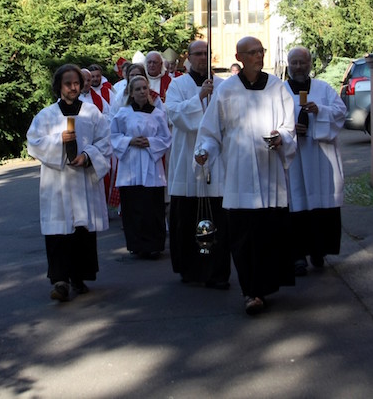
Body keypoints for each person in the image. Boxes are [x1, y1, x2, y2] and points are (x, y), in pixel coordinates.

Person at [195, 36, 297, 315]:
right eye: (252, 52)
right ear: (239, 57)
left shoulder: (277, 87)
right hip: (239, 174)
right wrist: (204, 151)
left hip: (269, 172)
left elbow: (289, 127)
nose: (259, 56)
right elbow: (211, 130)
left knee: (267, 235)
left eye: (261, 51)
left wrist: (282, 138)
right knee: (242, 236)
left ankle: (262, 287)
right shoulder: (227, 90)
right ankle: (250, 291)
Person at [26, 64, 112, 301]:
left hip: (83, 180)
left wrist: (88, 156)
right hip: (58, 182)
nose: (73, 87)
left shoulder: (92, 113)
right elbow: (33, 143)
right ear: (58, 86)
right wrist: (58, 141)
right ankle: (60, 281)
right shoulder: (46, 116)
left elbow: (105, 141)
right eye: (68, 83)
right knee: (59, 232)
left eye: (76, 83)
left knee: (81, 231)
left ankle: (79, 276)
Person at [165, 40, 230, 289]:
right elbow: (175, 115)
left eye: (206, 53)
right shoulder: (177, 85)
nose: (203, 57)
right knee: (186, 218)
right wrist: (200, 97)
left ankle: (217, 271)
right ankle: (191, 268)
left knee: (217, 218)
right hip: (185, 158)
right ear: (189, 57)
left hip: (215, 159)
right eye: (198, 54)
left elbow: (228, 119)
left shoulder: (223, 86)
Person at [283, 46, 347, 276]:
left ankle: (319, 249)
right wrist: (290, 129)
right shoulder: (279, 91)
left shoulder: (323, 89)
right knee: (295, 204)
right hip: (294, 157)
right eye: (294, 63)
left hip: (319, 155)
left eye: (302, 62)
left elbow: (340, 112)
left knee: (320, 204)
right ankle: (297, 256)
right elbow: (271, 120)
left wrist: (320, 112)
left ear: (310, 64)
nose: (298, 67)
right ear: (288, 65)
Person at [111, 75, 172, 258]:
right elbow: (113, 136)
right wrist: (129, 141)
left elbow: (166, 138)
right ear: (130, 92)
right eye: (137, 89)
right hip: (130, 164)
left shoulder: (158, 114)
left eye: (144, 88)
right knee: (133, 207)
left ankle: (154, 245)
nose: (142, 92)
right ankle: (136, 245)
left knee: (152, 208)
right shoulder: (122, 114)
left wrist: (150, 142)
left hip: (150, 165)